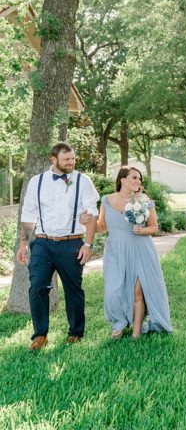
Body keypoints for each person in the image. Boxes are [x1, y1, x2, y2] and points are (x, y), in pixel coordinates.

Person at [16, 142, 99, 350]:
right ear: (53, 160)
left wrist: (88, 244)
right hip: (43, 242)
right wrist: (23, 244)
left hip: (72, 243)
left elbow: (92, 215)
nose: (71, 162)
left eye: (73, 159)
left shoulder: (83, 181)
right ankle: (40, 335)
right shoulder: (37, 182)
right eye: (66, 159)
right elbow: (28, 215)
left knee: (74, 289)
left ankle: (75, 333)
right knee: (37, 287)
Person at [97, 166, 172, 338]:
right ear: (122, 180)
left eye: (140, 179)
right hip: (115, 250)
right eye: (134, 178)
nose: (138, 181)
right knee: (112, 291)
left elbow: (154, 227)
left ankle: (136, 332)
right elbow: (102, 227)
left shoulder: (145, 201)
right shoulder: (106, 200)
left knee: (138, 291)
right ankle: (118, 323)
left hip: (140, 249)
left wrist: (142, 230)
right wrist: (88, 221)